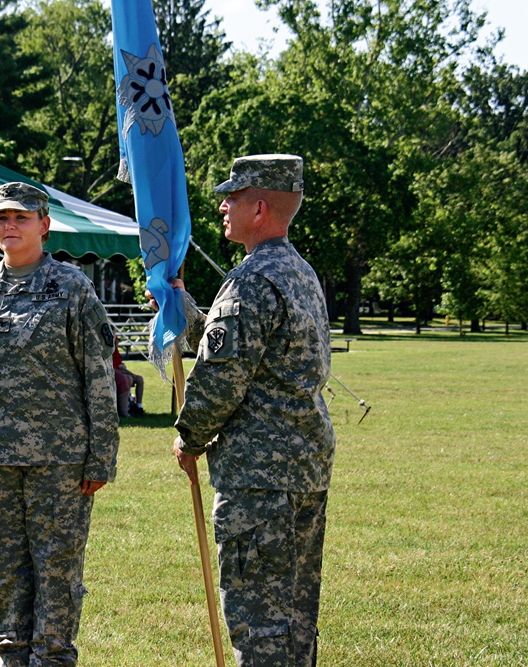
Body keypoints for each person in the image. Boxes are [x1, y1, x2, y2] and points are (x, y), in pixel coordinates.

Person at [169, 154, 335, 667]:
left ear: (260, 207)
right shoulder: (298, 273)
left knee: (259, 622)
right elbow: (258, 352)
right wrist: (188, 311)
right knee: (295, 619)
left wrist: (188, 437)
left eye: (234, 197)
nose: (223, 205)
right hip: (302, 468)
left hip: (259, 479)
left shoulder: (252, 281)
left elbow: (222, 378)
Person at [0, 182, 119, 666]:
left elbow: (98, 375)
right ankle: (12, 655)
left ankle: (51, 658)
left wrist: (100, 454)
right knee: (4, 570)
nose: (9, 226)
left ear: (44, 225)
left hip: (59, 461)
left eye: (21, 218)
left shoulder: (71, 288)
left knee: (57, 569)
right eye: (2, 218)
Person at [111, 339, 144, 417]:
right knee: (127, 379)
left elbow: (119, 365)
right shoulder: (107, 350)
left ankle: (138, 406)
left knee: (139, 379)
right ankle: (125, 409)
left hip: (120, 372)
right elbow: (111, 369)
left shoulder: (115, 351)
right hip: (113, 373)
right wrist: (127, 373)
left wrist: (126, 370)